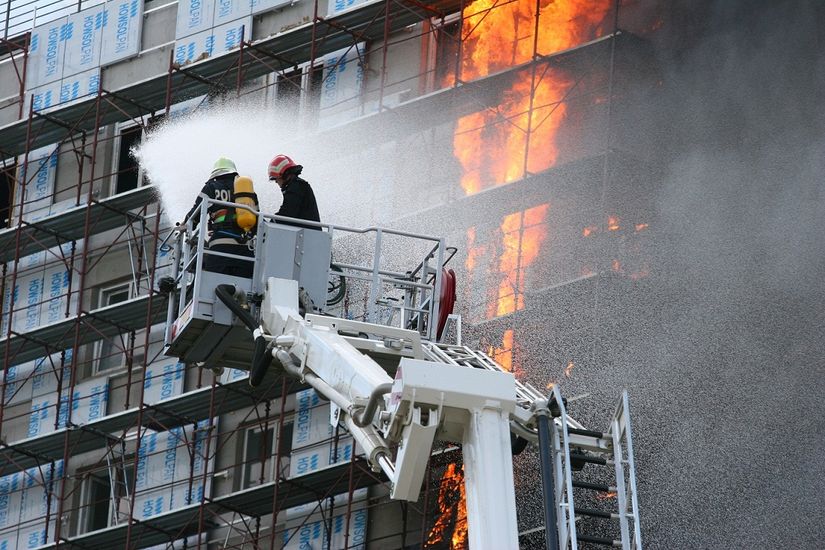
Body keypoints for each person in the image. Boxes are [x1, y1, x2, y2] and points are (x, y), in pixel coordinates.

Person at [186, 157, 258, 278]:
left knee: (215, 286)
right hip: (246, 248)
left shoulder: (211, 187)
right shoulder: (247, 191)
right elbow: (258, 220)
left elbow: (195, 214)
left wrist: (186, 225)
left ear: (216, 173)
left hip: (221, 245)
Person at [268, 154, 320, 230]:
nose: (276, 181)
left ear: (285, 174)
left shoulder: (297, 187)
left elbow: (288, 213)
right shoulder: (297, 186)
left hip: (307, 235)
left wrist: (270, 224)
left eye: (276, 178)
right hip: (307, 234)